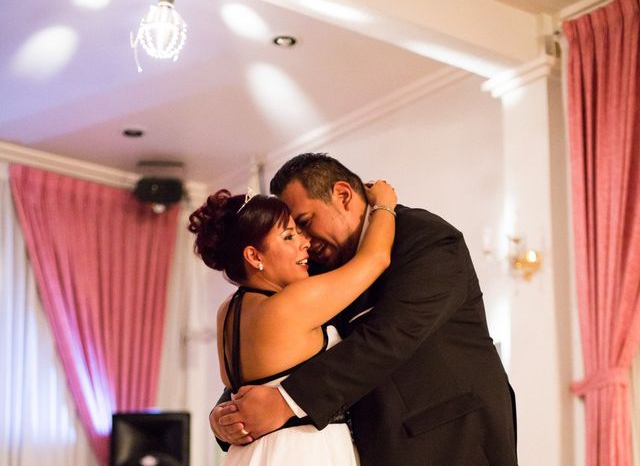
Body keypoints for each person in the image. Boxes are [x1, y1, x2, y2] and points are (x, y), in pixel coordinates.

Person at [212, 153, 518, 466]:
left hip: (448, 442)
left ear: (343, 195)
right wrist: (229, 414)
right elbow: (279, 348)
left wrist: (286, 402)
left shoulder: (425, 237)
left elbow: (390, 336)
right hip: (361, 449)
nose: (303, 241)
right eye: (292, 232)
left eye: (303, 223)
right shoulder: (313, 270)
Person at [188, 180, 397, 464]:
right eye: (289, 236)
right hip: (303, 452)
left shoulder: (226, 312)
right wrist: (384, 203)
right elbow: (375, 258)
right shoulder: (293, 303)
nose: (305, 242)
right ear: (253, 256)